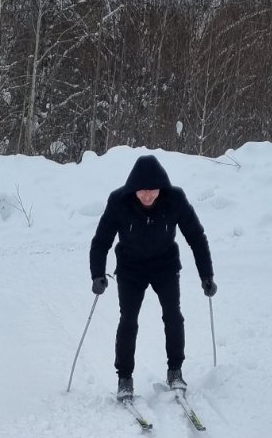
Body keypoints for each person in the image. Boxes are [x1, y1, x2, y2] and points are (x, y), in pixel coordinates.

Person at [89, 154, 217, 398]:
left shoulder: (175, 199)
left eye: (153, 190)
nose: (148, 196)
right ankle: (124, 378)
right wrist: (97, 274)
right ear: (133, 189)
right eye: (142, 191)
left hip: (165, 266)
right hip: (130, 268)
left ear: (161, 187)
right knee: (128, 320)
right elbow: (101, 241)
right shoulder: (118, 201)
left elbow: (196, 237)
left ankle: (175, 371)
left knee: (173, 315)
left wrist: (206, 275)